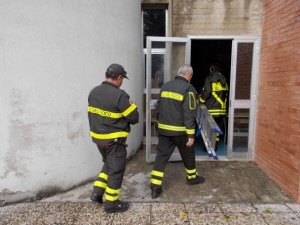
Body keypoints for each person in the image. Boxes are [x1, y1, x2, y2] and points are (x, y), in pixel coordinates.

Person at [88, 63, 139, 213]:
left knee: (108, 166)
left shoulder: (93, 92)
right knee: (116, 171)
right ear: (118, 77)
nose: (122, 82)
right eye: (122, 78)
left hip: (99, 140)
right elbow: (134, 118)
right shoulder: (120, 95)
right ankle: (111, 204)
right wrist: (133, 106)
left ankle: (97, 193)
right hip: (114, 142)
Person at [150, 64, 205, 199]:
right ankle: (192, 178)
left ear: (179, 73)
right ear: (189, 75)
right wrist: (191, 135)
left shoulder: (165, 86)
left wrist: (160, 123)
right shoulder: (188, 89)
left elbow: (158, 107)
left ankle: (155, 187)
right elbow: (189, 113)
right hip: (180, 132)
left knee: (161, 158)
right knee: (188, 154)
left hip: (164, 130)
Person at [199, 63, 229, 147]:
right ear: (219, 70)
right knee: (217, 128)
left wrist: (201, 100)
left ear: (210, 69)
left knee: (209, 129)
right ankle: (214, 145)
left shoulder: (209, 78)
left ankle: (210, 147)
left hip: (211, 109)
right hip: (221, 111)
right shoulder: (224, 80)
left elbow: (207, 92)